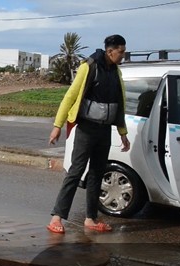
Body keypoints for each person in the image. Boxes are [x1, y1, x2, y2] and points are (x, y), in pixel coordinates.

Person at [47, 34, 131, 235]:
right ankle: (56, 217)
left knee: (97, 174)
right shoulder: (89, 67)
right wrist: (57, 125)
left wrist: (123, 133)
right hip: (86, 129)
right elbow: (70, 96)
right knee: (76, 172)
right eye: (121, 52)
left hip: (104, 130)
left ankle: (91, 219)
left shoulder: (115, 72)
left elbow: (121, 103)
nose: (123, 56)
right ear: (110, 51)